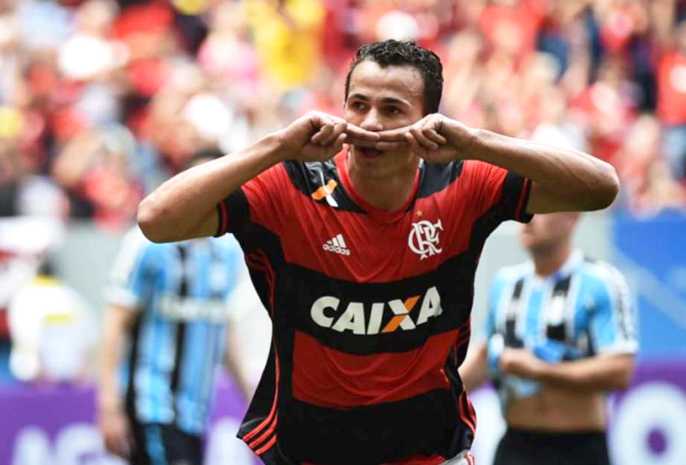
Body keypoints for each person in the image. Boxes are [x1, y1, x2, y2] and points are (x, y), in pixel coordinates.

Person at [137, 40, 620, 465]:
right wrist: (275, 145)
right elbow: (155, 220)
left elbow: (600, 189)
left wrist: (477, 142)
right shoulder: (288, 186)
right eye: (358, 104)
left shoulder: (464, 181)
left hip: (430, 455)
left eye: (392, 110)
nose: (370, 123)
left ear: (427, 122)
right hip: (310, 454)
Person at [98, 149, 251, 465]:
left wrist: (249, 394)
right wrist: (108, 404)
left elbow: (220, 327)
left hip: (196, 410)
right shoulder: (147, 244)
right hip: (151, 404)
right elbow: (116, 322)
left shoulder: (227, 252)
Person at [460, 212, 637, 465]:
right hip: (516, 446)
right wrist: (434, 396)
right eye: (526, 208)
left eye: (542, 209)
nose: (528, 218)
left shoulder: (601, 282)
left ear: (572, 217)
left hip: (578, 448)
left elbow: (620, 370)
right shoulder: (505, 283)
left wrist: (540, 371)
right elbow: (484, 356)